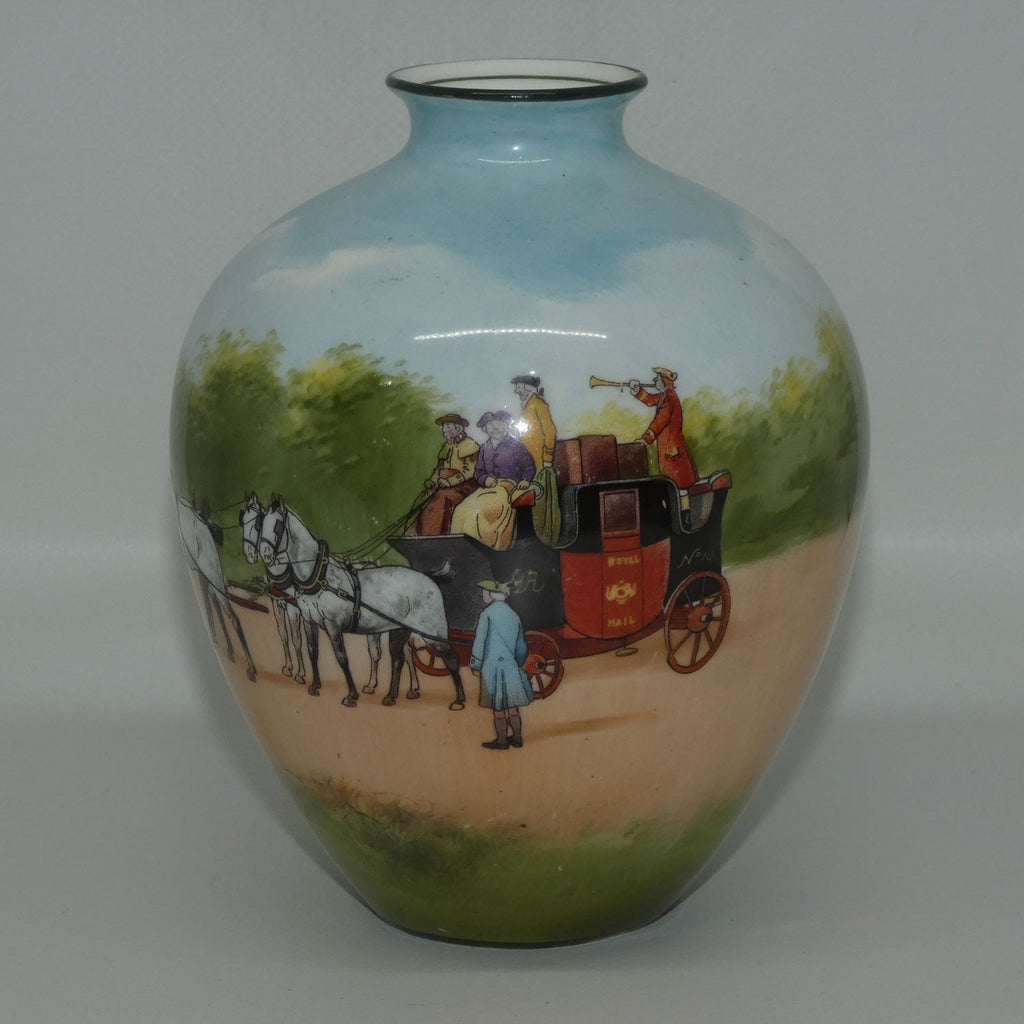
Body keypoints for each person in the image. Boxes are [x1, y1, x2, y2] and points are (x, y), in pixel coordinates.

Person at [452, 411, 537, 550]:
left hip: (509, 487)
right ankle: (462, 547)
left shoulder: (516, 446)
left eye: (498, 424)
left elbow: (529, 467)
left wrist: (526, 480)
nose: (495, 428)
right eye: (490, 425)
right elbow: (478, 472)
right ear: (485, 429)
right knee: (462, 508)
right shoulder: (485, 448)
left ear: (507, 425)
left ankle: (487, 546)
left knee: (486, 509)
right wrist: (485, 479)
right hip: (488, 488)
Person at [469, 579, 534, 749]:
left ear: (491, 594)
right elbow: (521, 646)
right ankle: (517, 738)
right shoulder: (514, 615)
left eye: (484, 592)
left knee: (498, 707)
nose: (482, 595)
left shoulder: (486, 614)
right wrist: (517, 663)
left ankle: (502, 741)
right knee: (513, 706)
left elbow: (480, 641)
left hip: (492, 667)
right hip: (511, 666)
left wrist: (476, 663)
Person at [629, 367, 699, 489]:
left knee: (677, 481)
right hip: (669, 448)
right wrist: (638, 391)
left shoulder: (669, 397)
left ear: (664, 381)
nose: (654, 380)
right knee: (674, 480)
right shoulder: (666, 395)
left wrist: (646, 438)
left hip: (671, 450)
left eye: (657, 378)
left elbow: (660, 420)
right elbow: (650, 399)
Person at [414, 413, 479, 535]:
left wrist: (450, 481)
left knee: (442, 496)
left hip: (464, 486)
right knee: (427, 495)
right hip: (444, 483)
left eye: (450, 427)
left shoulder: (470, 445)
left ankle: (438, 533)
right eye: (445, 427)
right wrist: (433, 480)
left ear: (458, 428)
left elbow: (470, 471)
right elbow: (439, 468)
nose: (447, 430)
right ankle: (422, 533)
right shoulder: (447, 446)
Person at [511, 374, 556, 472]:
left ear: (527, 387)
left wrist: (547, 459)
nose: (516, 391)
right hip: (527, 461)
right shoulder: (528, 405)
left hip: (538, 461)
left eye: (518, 388)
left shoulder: (539, 404)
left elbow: (550, 432)